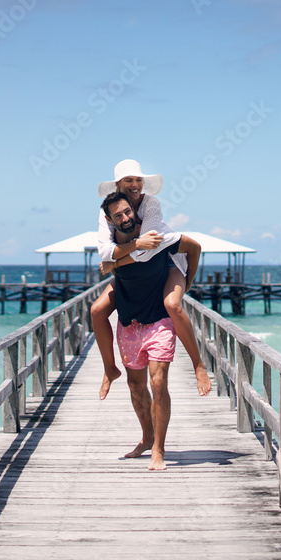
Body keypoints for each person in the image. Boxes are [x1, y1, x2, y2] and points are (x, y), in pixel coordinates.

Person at [92, 159, 211, 401]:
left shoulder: (151, 204)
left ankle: (198, 365)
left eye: (138, 180)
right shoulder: (109, 212)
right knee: (96, 310)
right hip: (133, 269)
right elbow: (105, 251)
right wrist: (127, 250)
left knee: (173, 305)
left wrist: (188, 280)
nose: (135, 184)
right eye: (129, 180)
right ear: (118, 185)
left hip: (166, 259)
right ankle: (109, 368)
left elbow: (148, 250)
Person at [100, 191, 201, 470]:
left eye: (128, 212)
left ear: (136, 212)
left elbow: (193, 246)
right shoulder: (109, 247)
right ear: (110, 220)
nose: (125, 218)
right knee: (136, 386)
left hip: (159, 319)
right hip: (129, 321)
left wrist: (188, 282)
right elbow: (109, 262)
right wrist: (118, 259)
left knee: (158, 383)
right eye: (118, 215)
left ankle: (159, 448)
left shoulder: (155, 236)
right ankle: (147, 437)